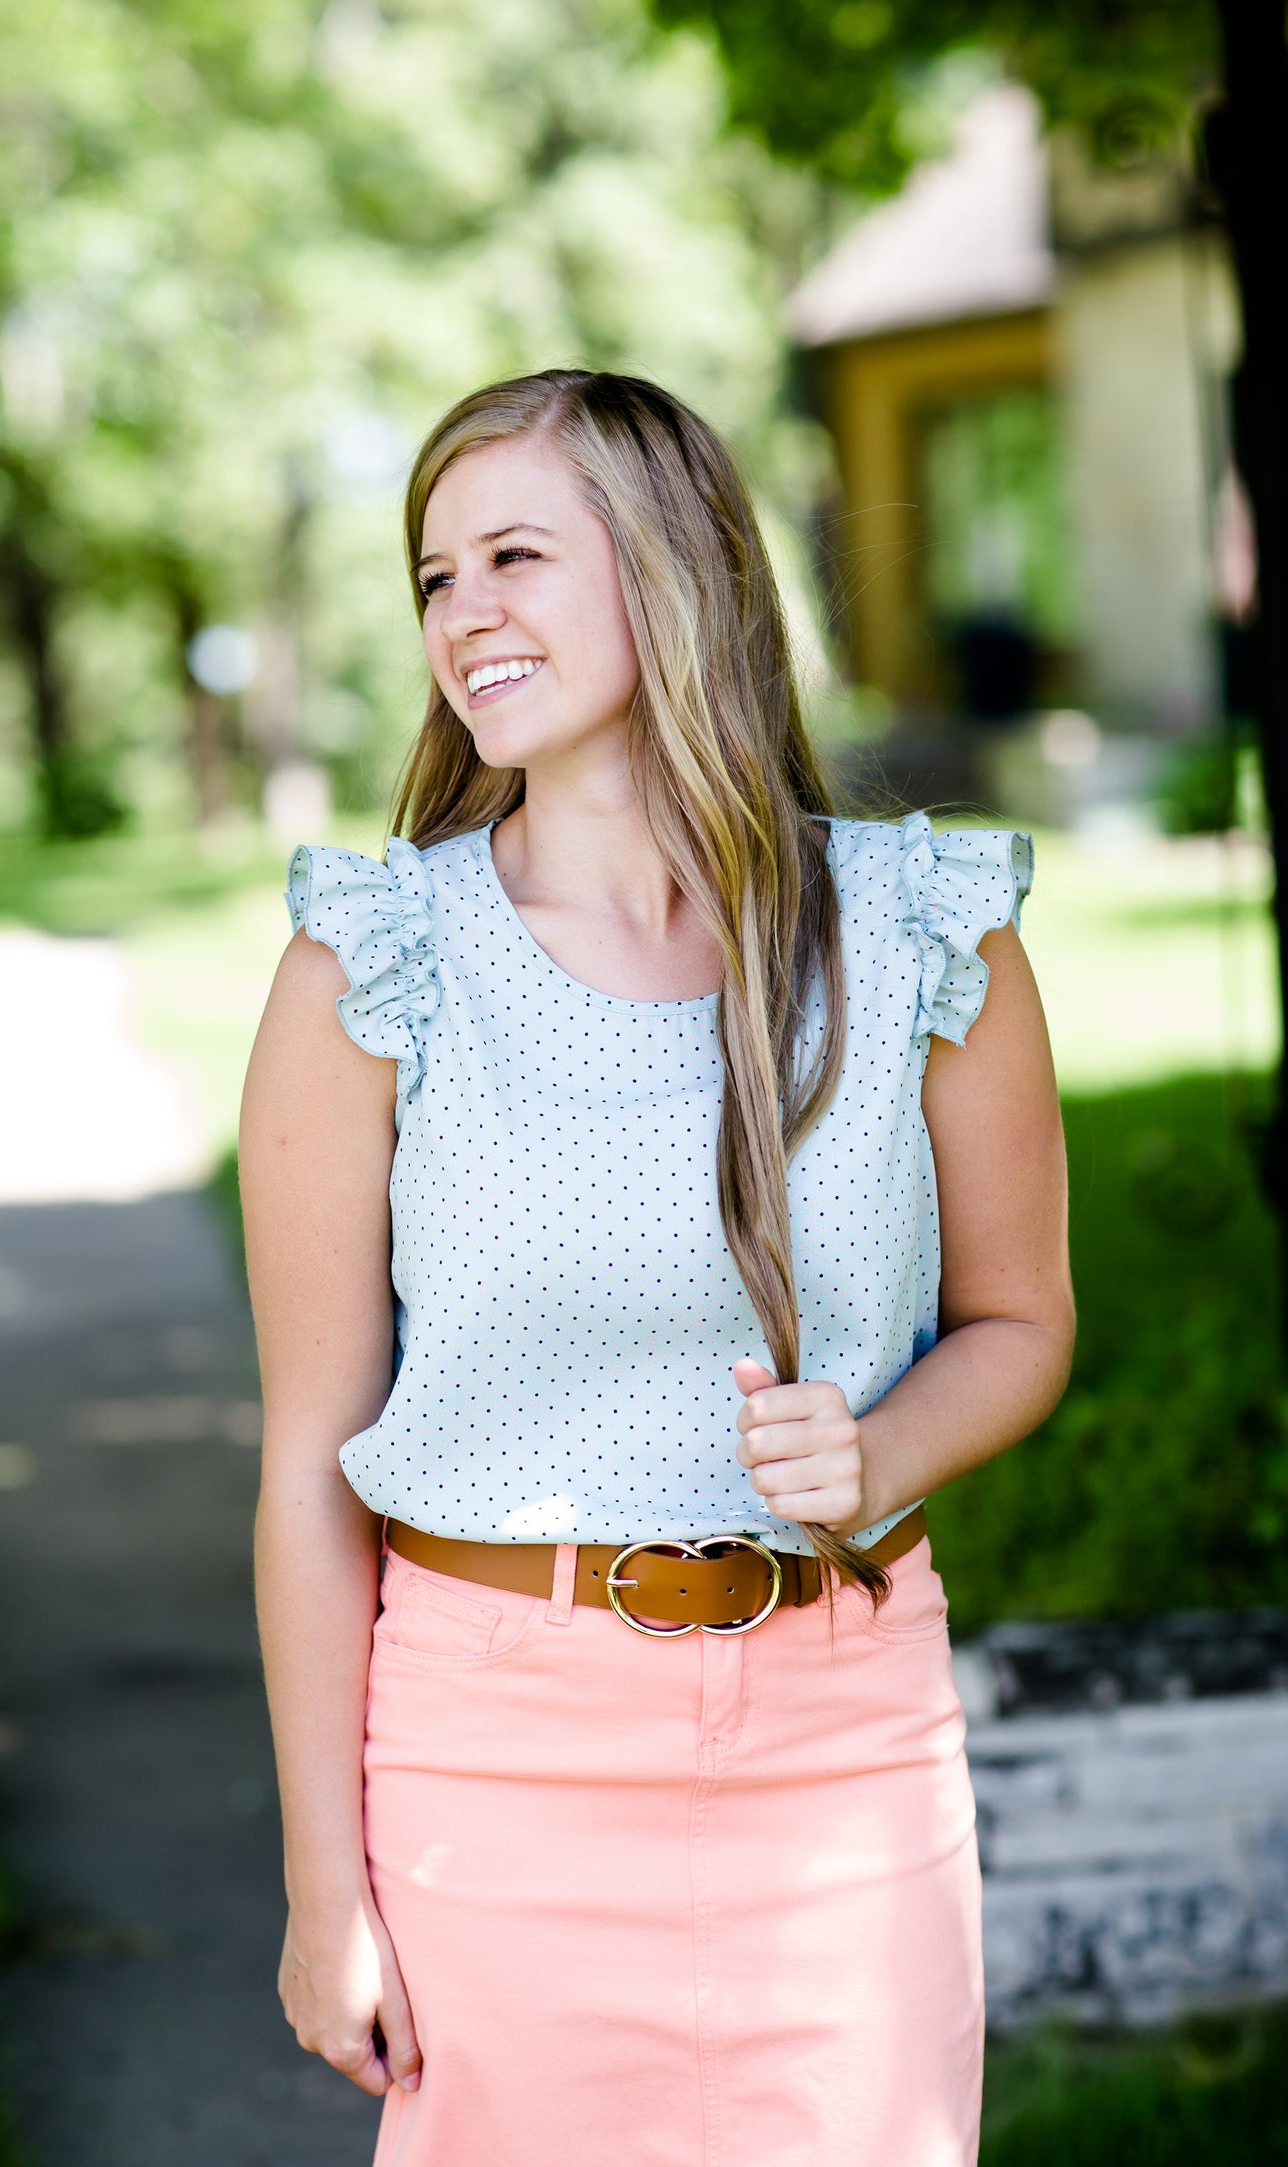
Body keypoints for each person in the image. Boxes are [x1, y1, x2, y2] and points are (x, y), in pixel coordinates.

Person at [239, 368, 1073, 2167]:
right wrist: (328, 1893)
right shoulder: (370, 969)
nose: (465, 615)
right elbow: (312, 1463)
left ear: (674, 565)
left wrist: (886, 1452)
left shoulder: (926, 936)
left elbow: (1020, 1325)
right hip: (493, 1763)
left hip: (844, 1748)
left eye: (515, 556)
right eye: (435, 578)